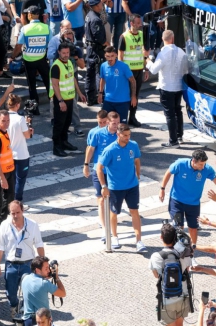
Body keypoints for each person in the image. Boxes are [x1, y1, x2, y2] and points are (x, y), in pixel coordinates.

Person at [97, 123, 146, 252]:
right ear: (118, 134)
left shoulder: (133, 145)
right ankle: (115, 237)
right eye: (125, 135)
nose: (127, 137)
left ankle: (139, 241)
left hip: (132, 186)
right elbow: (99, 168)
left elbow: (136, 159)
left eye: (129, 135)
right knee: (114, 213)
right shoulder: (110, 150)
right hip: (115, 188)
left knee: (134, 211)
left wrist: (138, 174)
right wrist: (103, 186)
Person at [159, 150, 216, 248]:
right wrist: (162, 189)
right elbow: (169, 172)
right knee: (178, 227)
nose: (203, 167)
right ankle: (178, 249)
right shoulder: (180, 164)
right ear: (193, 161)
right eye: (200, 164)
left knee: (193, 228)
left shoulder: (207, 169)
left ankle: (192, 251)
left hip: (193, 204)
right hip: (177, 202)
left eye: (204, 164)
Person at [0, 200, 45, 321]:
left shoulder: (32, 225)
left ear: (23, 211)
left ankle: (27, 315)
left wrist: (43, 265)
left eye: (18, 212)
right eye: (13, 213)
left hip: (28, 264)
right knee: (10, 293)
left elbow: (39, 245)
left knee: (29, 291)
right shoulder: (4, 225)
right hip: (11, 265)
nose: (15, 216)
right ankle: (15, 305)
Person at [145, 30, 188, 148]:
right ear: (173, 39)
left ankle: (173, 141)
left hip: (166, 86)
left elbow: (154, 69)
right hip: (178, 86)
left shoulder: (163, 54)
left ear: (163, 40)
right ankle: (179, 136)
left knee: (169, 114)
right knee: (178, 111)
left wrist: (148, 60)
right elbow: (185, 70)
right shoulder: (181, 52)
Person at [83, 111, 119, 241]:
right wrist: (86, 165)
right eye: (114, 123)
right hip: (99, 171)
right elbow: (91, 149)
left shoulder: (119, 134)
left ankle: (111, 223)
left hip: (113, 172)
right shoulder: (97, 134)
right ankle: (105, 229)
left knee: (113, 200)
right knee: (102, 200)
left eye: (117, 123)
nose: (116, 125)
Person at [149, 223, 192, 326]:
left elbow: (156, 275)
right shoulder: (184, 254)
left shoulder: (155, 256)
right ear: (175, 237)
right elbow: (187, 270)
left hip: (167, 298)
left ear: (161, 237)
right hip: (182, 295)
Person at [11, 5, 50, 114]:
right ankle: (54, 105)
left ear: (30, 15)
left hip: (29, 61)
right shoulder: (45, 27)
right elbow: (50, 44)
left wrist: (12, 57)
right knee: (48, 83)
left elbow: (18, 46)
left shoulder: (25, 29)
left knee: (32, 86)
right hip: (42, 58)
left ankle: (34, 110)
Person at [49, 43, 86, 157]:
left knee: (67, 123)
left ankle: (64, 142)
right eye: (63, 53)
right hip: (61, 100)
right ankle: (57, 147)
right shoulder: (56, 66)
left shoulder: (69, 62)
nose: (65, 55)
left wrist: (79, 93)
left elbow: (73, 78)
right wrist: (60, 101)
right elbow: (55, 85)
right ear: (59, 52)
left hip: (70, 98)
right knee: (59, 124)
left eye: (67, 53)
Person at [118, 14, 147, 127]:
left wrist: (146, 69)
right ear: (132, 23)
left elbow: (144, 53)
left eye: (140, 23)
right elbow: (120, 56)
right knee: (127, 95)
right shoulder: (124, 37)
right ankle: (123, 117)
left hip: (139, 69)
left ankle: (132, 117)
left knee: (136, 94)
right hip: (128, 72)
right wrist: (121, 72)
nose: (140, 25)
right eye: (138, 23)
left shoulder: (141, 34)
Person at [21, 256, 66, 325]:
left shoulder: (25, 278)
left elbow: (36, 284)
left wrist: (44, 277)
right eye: (46, 268)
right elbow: (63, 293)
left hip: (27, 320)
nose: (48, 270)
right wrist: (56, 277)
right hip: (42, 320)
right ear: (38, 270)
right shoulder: (44, 283)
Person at [98, 45, 136, 124]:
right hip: (108, 100)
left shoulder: (123, 66)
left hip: (122, 101)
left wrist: (133, 96)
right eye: (108, 56)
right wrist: (100, 93)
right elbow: (103, 79)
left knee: (121, 126)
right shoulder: (103, 66)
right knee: (105, 124)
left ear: (116, 55)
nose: (110, 59)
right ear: (105, 56)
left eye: (112, 56)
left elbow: (133, 81)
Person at [6, 94, 33, 203]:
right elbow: (27, 135)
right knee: (20, 180)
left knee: (10, 180)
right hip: (21, 155)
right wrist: (29, 126)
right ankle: (17, 202)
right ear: (17, 105)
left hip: (8, 155)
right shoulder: (20, 119)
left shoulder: (4, 118)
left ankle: (9, 201)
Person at [84, 0, 107, 105]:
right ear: (96, 5)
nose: (102, 4)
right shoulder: (96, 19)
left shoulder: (89, 15)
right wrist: (108, 45)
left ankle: (90, 97)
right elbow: (100, 39)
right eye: (100, 3)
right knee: (99, 73)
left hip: (90, 49)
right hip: (96, 50)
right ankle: (99, 96)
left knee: (90, 74)